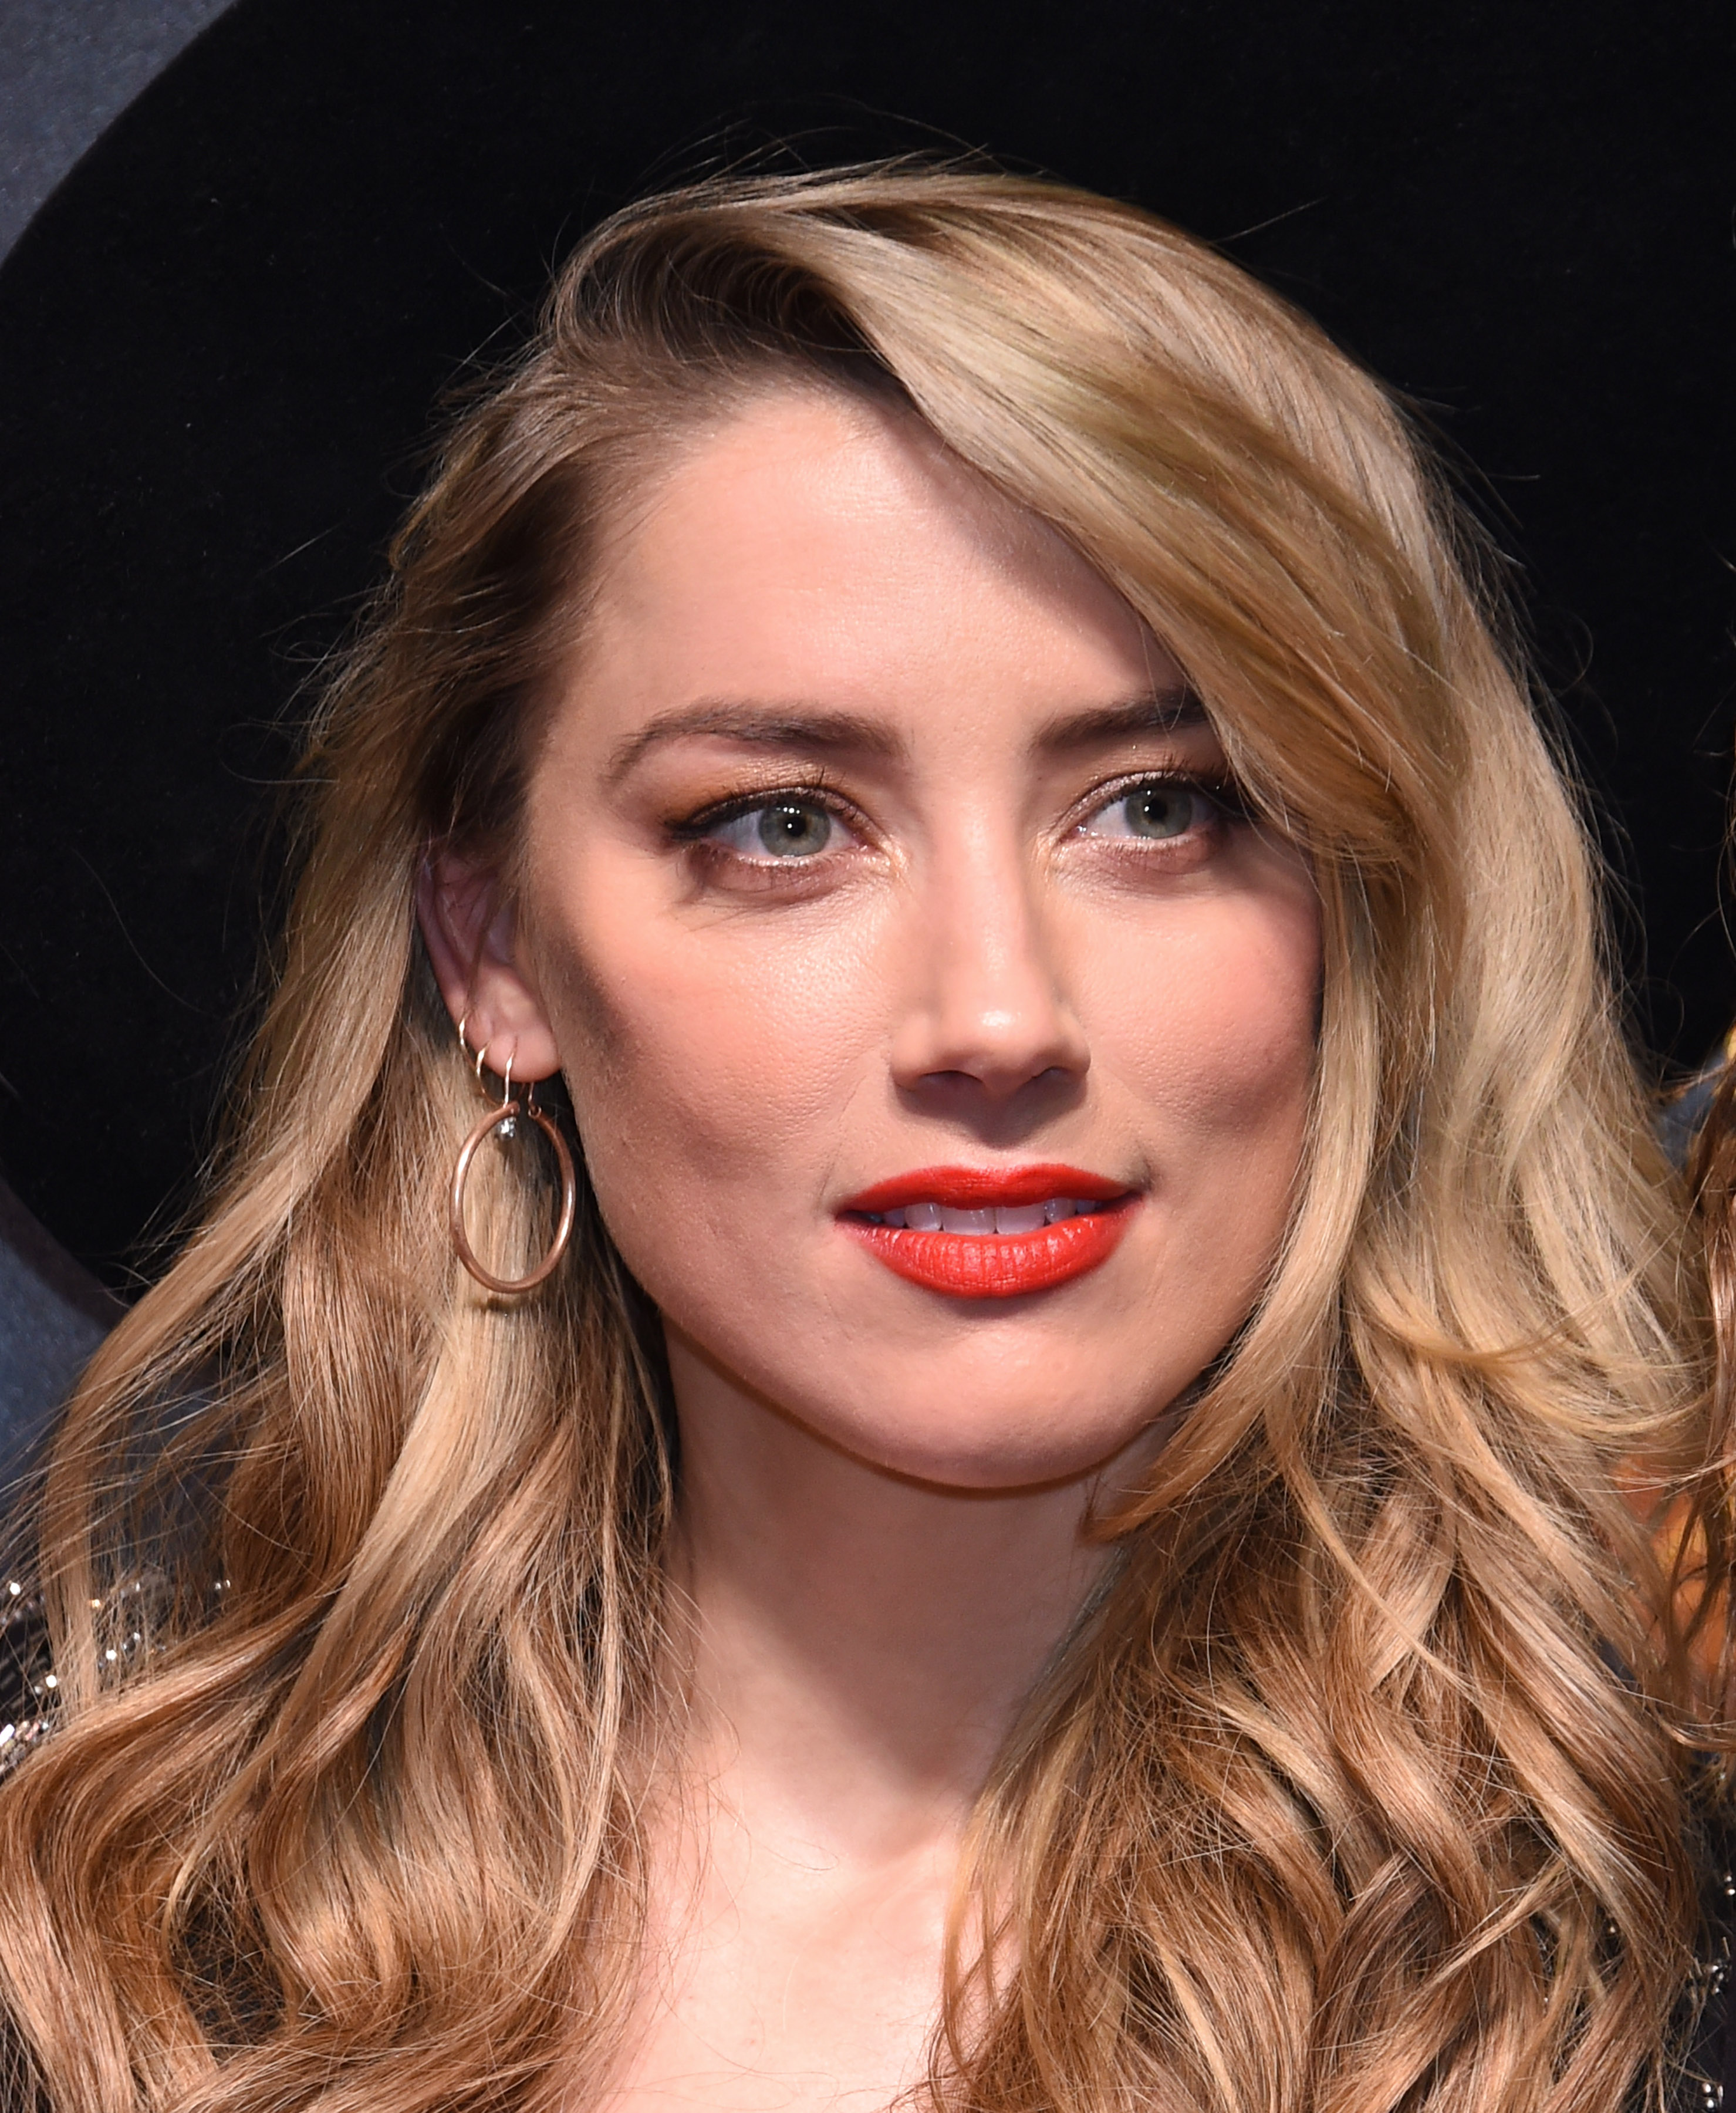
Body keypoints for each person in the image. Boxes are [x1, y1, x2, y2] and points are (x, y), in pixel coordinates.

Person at [0, 164, 1727, 2113]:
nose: (996, 1018)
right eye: (785, 825)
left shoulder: (1646, 1935)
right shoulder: (80, 1889)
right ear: (494, 951)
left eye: (1160, 807)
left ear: (1364, 914)